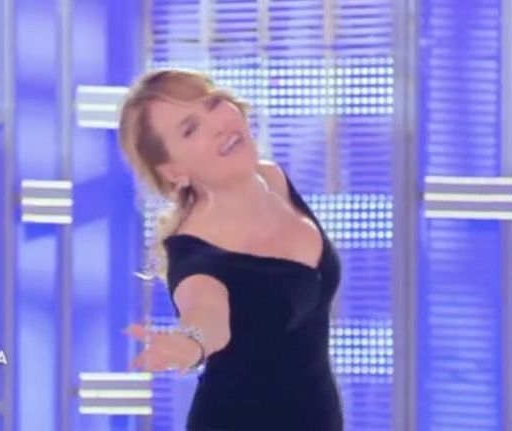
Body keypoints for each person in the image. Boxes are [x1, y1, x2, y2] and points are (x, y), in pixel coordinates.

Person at [118, 69, 343, 431]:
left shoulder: (272, 178)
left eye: (212, 104)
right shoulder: (197, 261)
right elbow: (206, 314)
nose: (218, 126)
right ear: (173, 171)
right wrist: (191, 342)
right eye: (190, 129)